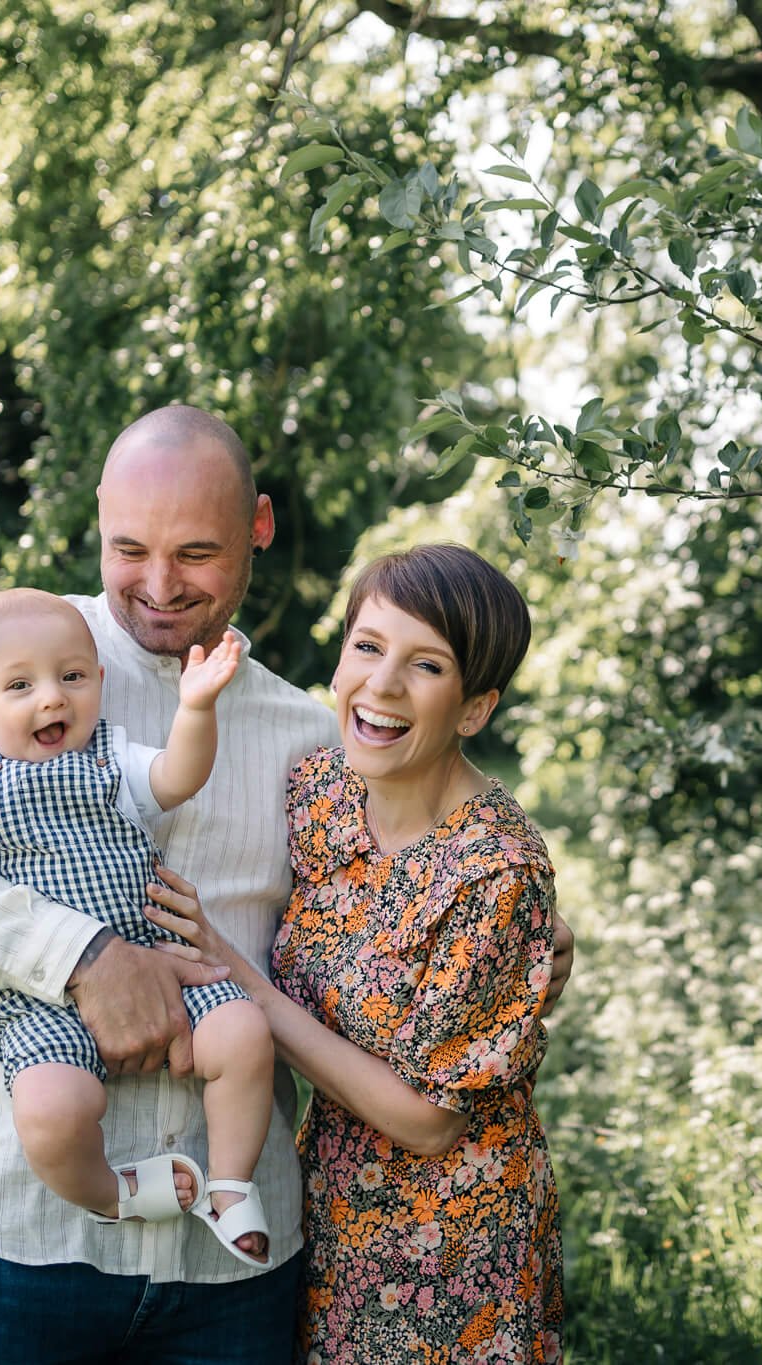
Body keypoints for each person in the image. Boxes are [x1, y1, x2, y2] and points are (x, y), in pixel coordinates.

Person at [0, 405, 575, 1364]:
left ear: (259, 527)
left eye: (198, 553)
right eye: (129, 548)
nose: (159, 585)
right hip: (9, 1230)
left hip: (236, 1277)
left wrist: (530, 935)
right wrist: (79, 956)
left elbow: (419, 877)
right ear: (97, 517)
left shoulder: (308, 738)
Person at [146, 543, 563, 1364]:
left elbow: (429, 1119)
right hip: (330, 1221)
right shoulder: (322, 794)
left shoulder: (496, 870)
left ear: (475, 707)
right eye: (367, 647)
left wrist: (249, 988)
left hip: (457, 1250)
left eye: (427, 665)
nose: (381, 684)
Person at [0, 587, 275, 1263]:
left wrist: (196, 706)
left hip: (157, 958)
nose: (52, 698)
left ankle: (230, 1183)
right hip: (36, 995)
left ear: (97, 681)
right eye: (20, 685)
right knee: (50, 1111)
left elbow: (177, 776)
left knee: (244, 1036)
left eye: (71, 677)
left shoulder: (110, 756)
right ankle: (111, 1192)